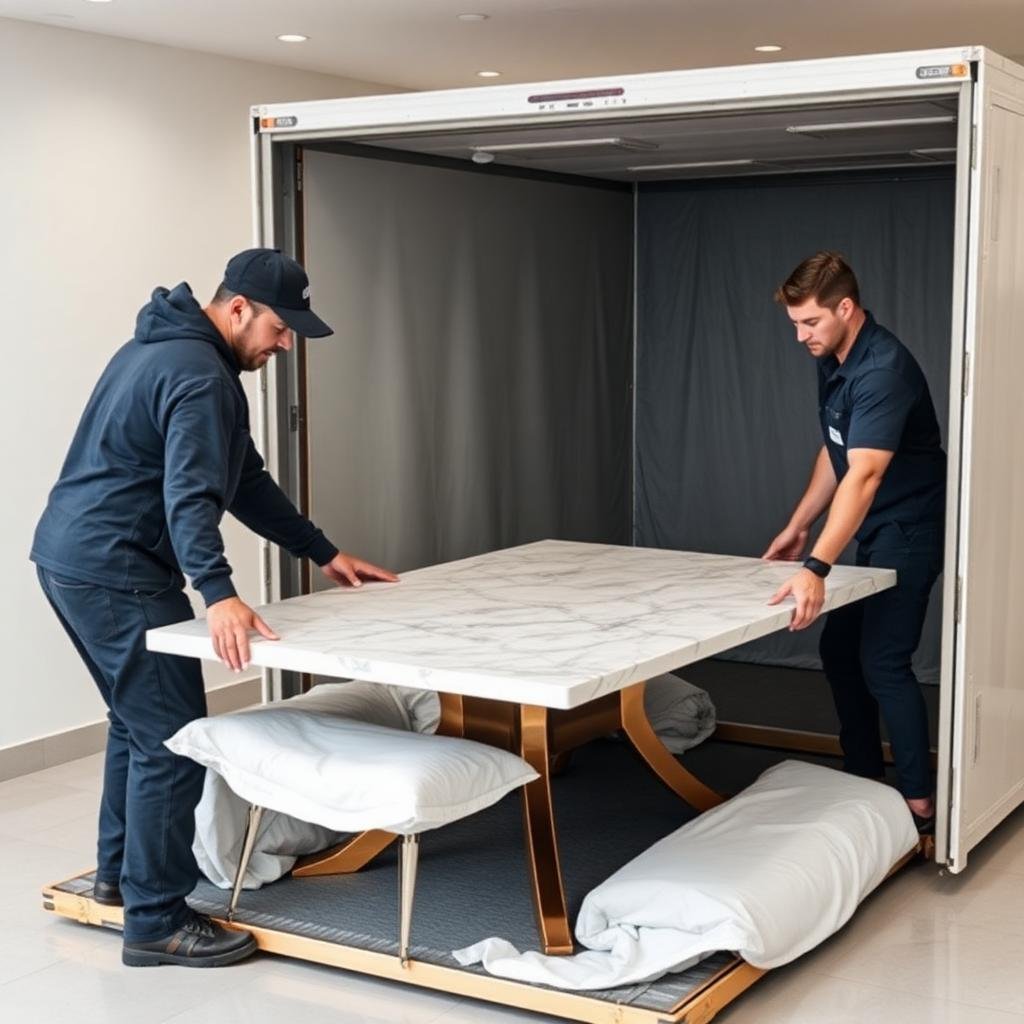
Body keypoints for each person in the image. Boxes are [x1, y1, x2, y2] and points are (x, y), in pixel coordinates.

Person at [30, 248, 397, 967]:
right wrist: (219, 592)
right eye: (279, 327)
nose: (285, 342)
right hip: (117, 571)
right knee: (175, 741)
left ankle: (119, 880)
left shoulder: (166, 350)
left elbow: (245, 480)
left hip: (72, 558)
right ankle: (157, 921)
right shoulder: (199, 375)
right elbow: (191, 494)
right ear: (237, 309)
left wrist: (322, 551)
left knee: (139, 727)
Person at [762, 251, 946, 832]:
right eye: (794, 324)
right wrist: (799, 525)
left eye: (809, 322)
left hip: (909, 528)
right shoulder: (834, 354)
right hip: (869, 523)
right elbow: (837, 448)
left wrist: (816, 566)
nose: (800, 336)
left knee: (883, 661)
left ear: (846, 307)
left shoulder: (882, 370)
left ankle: (918, 802)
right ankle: (864, 778)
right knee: (841, 653)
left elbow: (864, 474)